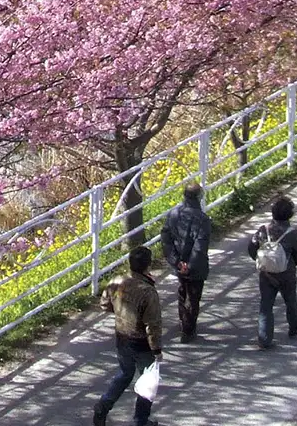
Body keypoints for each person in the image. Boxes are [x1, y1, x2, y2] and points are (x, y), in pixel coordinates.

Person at [93, 246, 162, 426]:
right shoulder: (148, 292)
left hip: (122, 338)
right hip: (141, 344)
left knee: (125, 373)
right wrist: (157, 349)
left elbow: (104, 304)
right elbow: (152, 325)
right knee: (147, 382)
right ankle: (141, 420)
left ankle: (103, 405)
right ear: (147, 266)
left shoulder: (117, 281)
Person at [247, 195, 297, 349]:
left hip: (266, 274)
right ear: (290, 215)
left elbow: (252, 248)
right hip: (287, 274)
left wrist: (261, 261)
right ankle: (296, 326)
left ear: (273, 213)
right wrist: (292, 264)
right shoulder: (292, 233)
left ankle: (264, 338)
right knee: (290, 300)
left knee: (265, 305)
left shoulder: (263, 230)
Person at [158, 182, 212, 343]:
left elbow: (166, 238)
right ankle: (188, 329)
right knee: (194, 296)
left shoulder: (173, 214)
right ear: (199, 197)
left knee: (183, 291)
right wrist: (190, 265)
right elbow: (200, 246)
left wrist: (176, 261)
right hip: (196, 265)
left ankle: (184, 321)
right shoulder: (202, 219)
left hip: (178, 262)